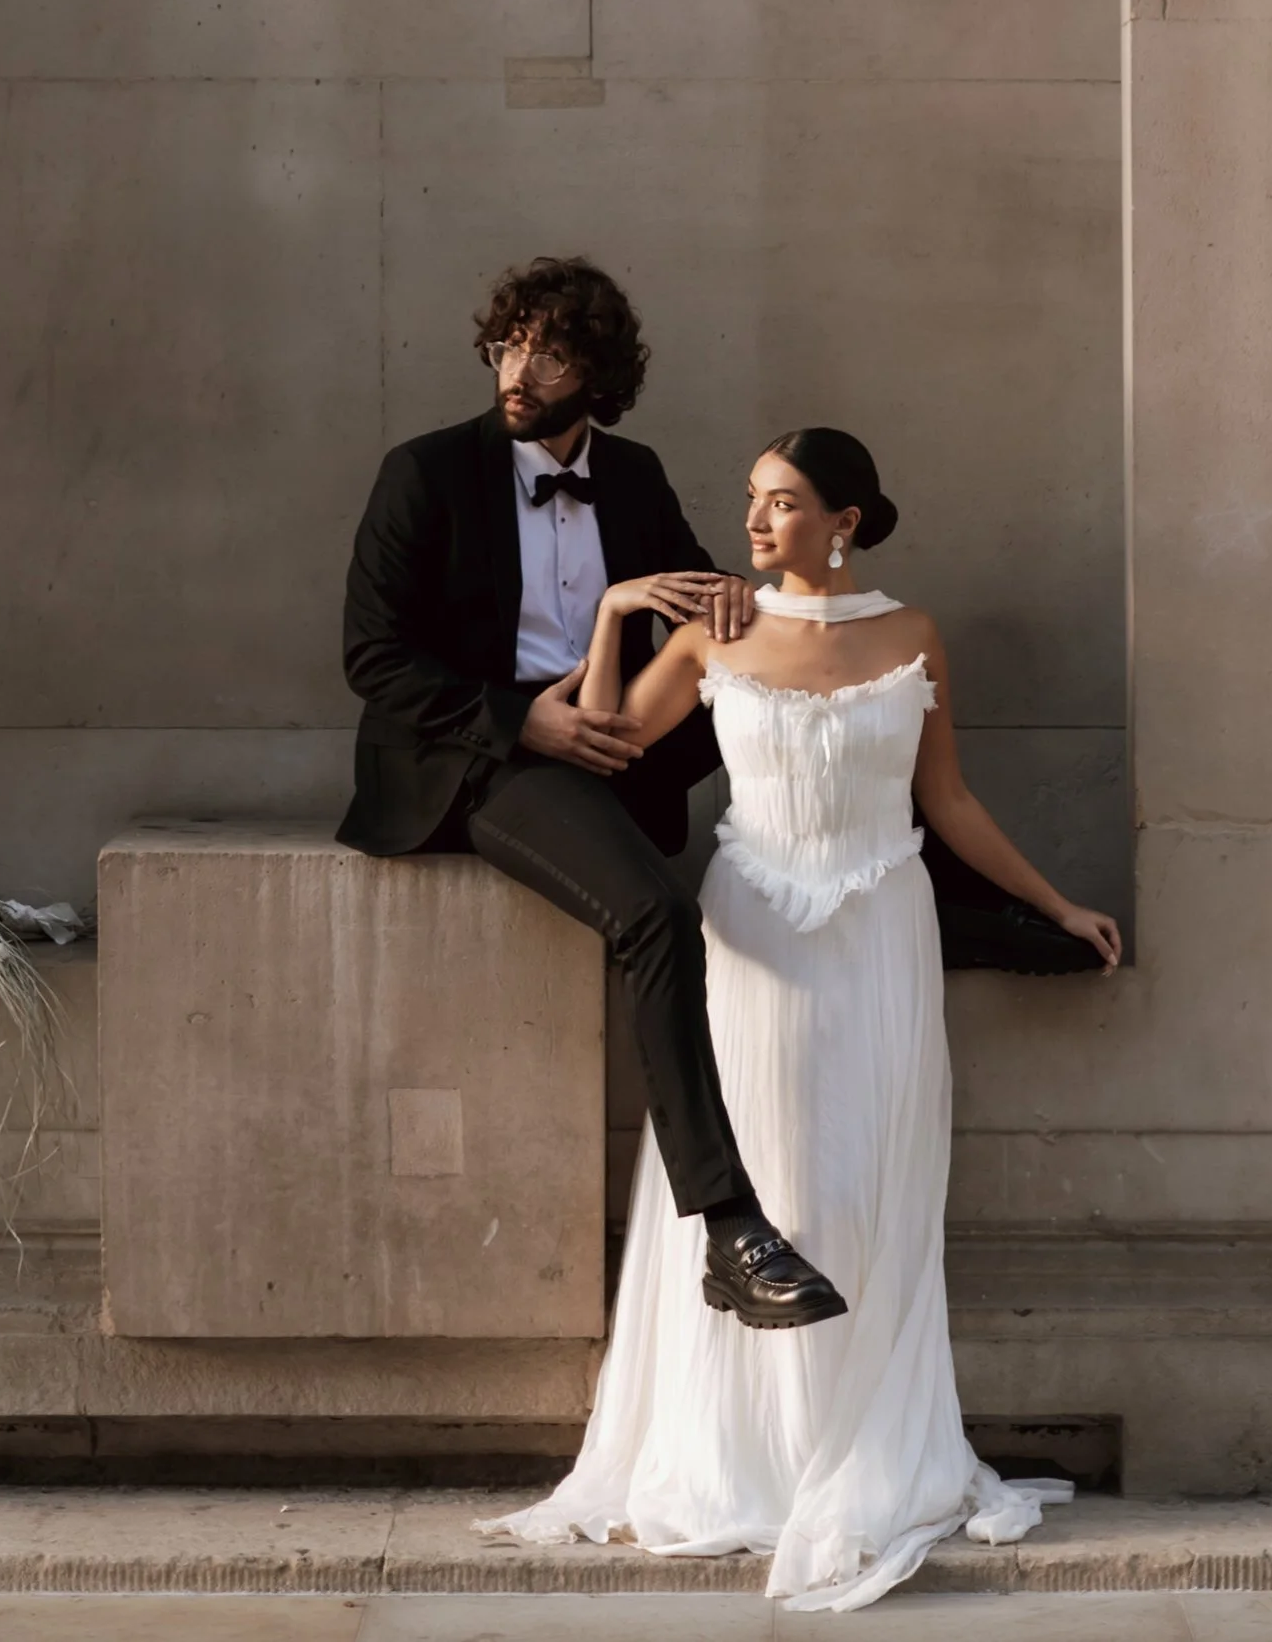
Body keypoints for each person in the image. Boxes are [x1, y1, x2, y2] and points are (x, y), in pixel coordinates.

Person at [487, 425, 1122, 1610]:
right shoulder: (711, 631)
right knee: (774, 1179)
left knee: (870, 1186)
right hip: (756, 940)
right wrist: (618, 612)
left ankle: (858, 1445)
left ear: (847, 519)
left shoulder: (911, 632)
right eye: (751, 500)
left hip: (884, 932)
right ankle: (750, 1458)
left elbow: (948, 799)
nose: (756, 521)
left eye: (781, 502)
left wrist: (1055, 900)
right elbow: (607, 742)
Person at [338, 258, 844, 1330]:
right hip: (485, 751)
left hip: (611, 728)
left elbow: (701, 597)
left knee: (814, 694)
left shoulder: (632, 472)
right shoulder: (424, 472)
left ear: (597, 372)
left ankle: (903, 874)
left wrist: (737, 604)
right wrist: (524, 719)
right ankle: (730, 1227)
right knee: (656, 914)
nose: (519, 370)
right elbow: (374, 657)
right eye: (507, 344)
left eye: (551, 352)